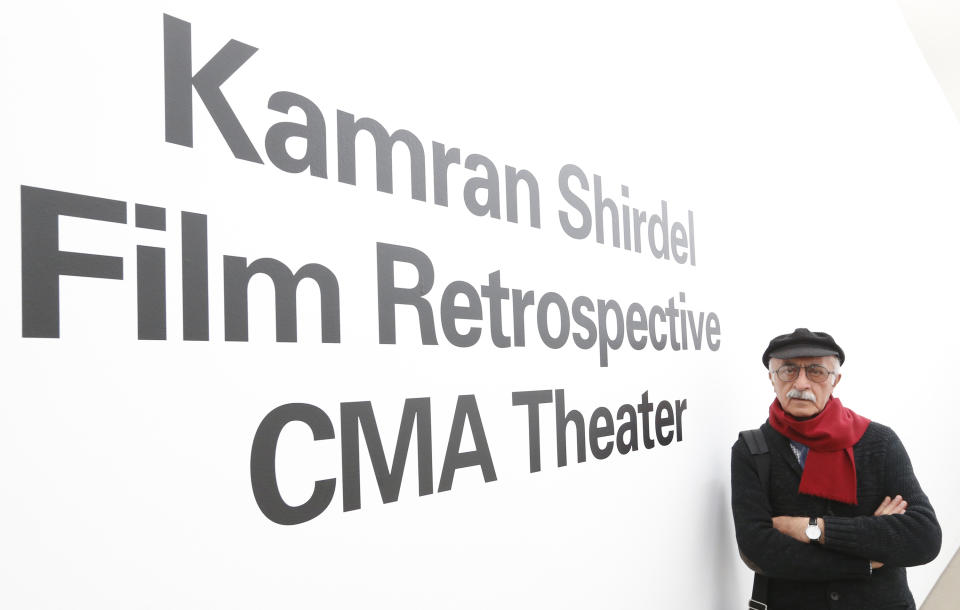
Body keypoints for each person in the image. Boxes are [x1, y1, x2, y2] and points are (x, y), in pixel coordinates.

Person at [731, 328, 941, 609]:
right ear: (772, 378)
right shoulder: (752, 450)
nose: (802, 383)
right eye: (788, 371)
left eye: (816, 371)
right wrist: (867, 560)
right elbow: (760, 550)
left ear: (835, 380)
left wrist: (812, 529)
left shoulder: (879, 442)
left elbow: (923, 537)